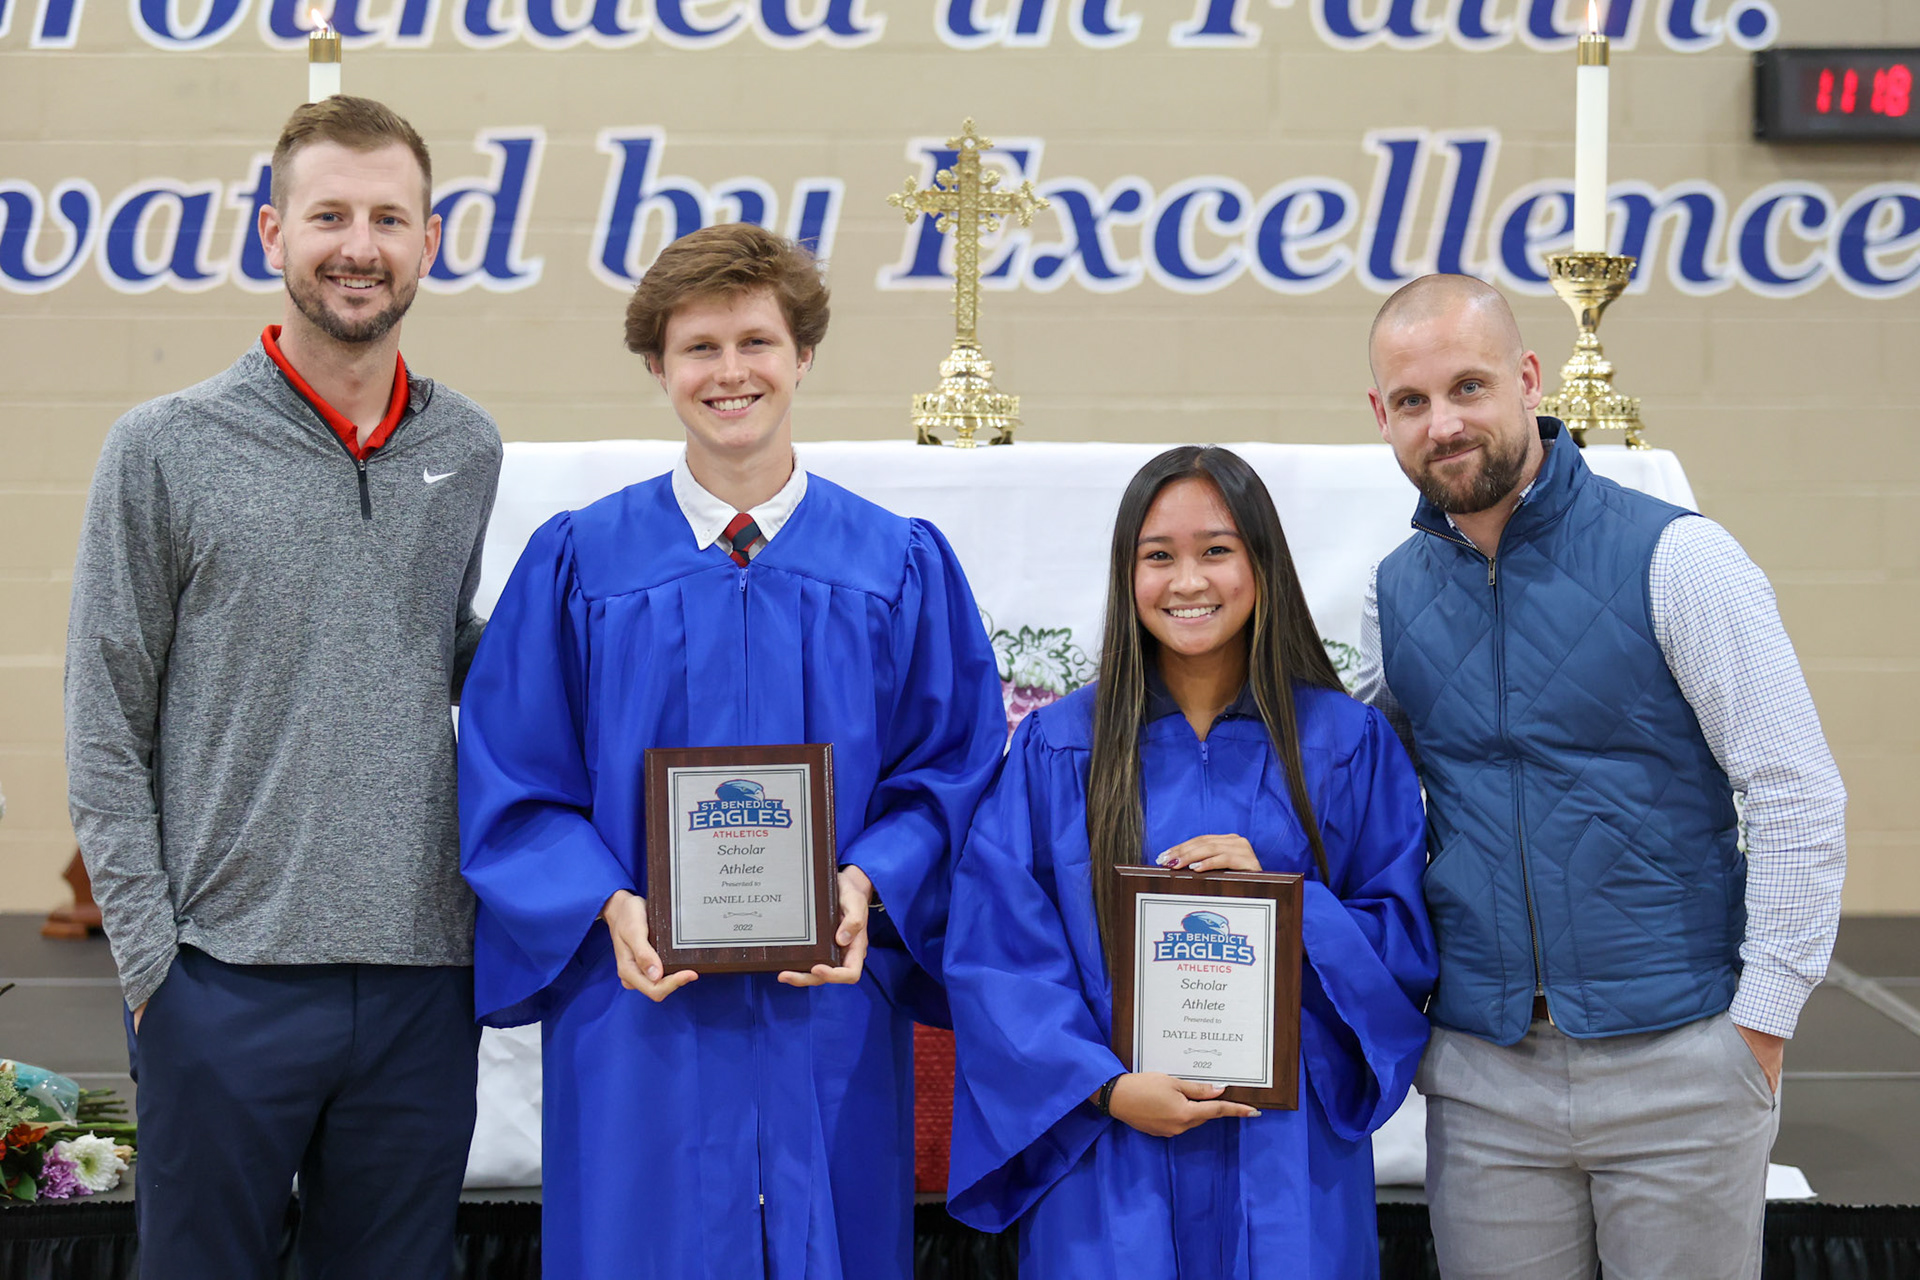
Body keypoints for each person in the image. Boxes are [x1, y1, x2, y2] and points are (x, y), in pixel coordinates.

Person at [456, 221, 1008, 1280]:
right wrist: (609, 906)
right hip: (637, 998)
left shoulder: (893, 564)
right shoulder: (580, 561)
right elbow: (514, 776)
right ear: (658, 366)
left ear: (802, 355)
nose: (730, 371)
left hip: (828, 1000)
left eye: (756, 341)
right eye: (699, 347)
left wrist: (866, 882)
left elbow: (953, 768)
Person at [64, 96, 501, 1278]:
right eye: (329, 216)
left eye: (388, 218)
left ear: (432, 240)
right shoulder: (163, 446)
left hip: (421, 981)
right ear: (271, 233)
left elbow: (436, 642)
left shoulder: (468, 445)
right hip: (222, 977)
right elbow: (104, 720)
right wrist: (157, 966)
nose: (358, 245)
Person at [1357, 274, 1848, 1280]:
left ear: (1529, 378)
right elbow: (1347, 783)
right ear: (1382, 415)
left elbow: (1796, 788)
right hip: (1486, 1077)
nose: (1442, 423)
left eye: (1468, 387)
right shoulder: (1395, 592)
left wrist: (1761, 1023)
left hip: (1683, 1057)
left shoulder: (1678, 557)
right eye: (1411, 401)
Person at [944, 446, 1438, 1279]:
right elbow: (1000, 957)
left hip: (1286, 1156)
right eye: (1158, 556)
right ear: (1126, 573)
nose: (1188, 580)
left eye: (1216, 549)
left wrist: (1293, 903)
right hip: (1112, 1151)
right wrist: (1104, 1087)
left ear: (1261, 562)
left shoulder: (1348, 746)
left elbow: (1403, 949)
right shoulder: (1060, 747)